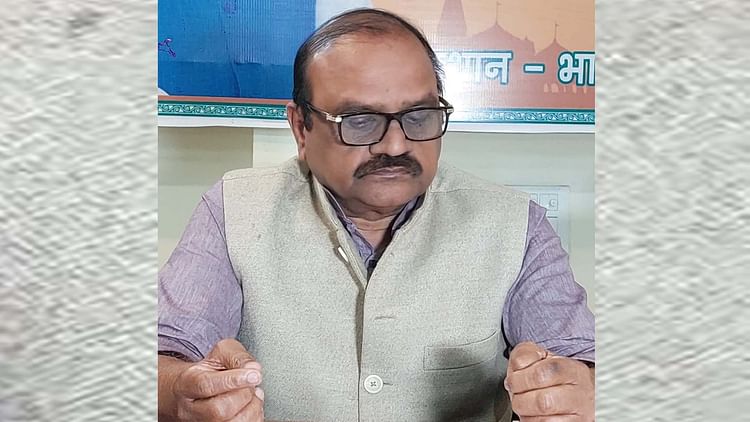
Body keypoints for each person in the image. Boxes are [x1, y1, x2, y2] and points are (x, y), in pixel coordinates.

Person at [157, 8, 594, 422]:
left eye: (418, 116)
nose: (395, 145)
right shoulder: (235, 210)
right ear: (301, 128)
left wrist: (577, 390)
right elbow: (163, 357)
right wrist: (181, 393)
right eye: (360, 120)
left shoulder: (513, 225)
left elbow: (582, 364)